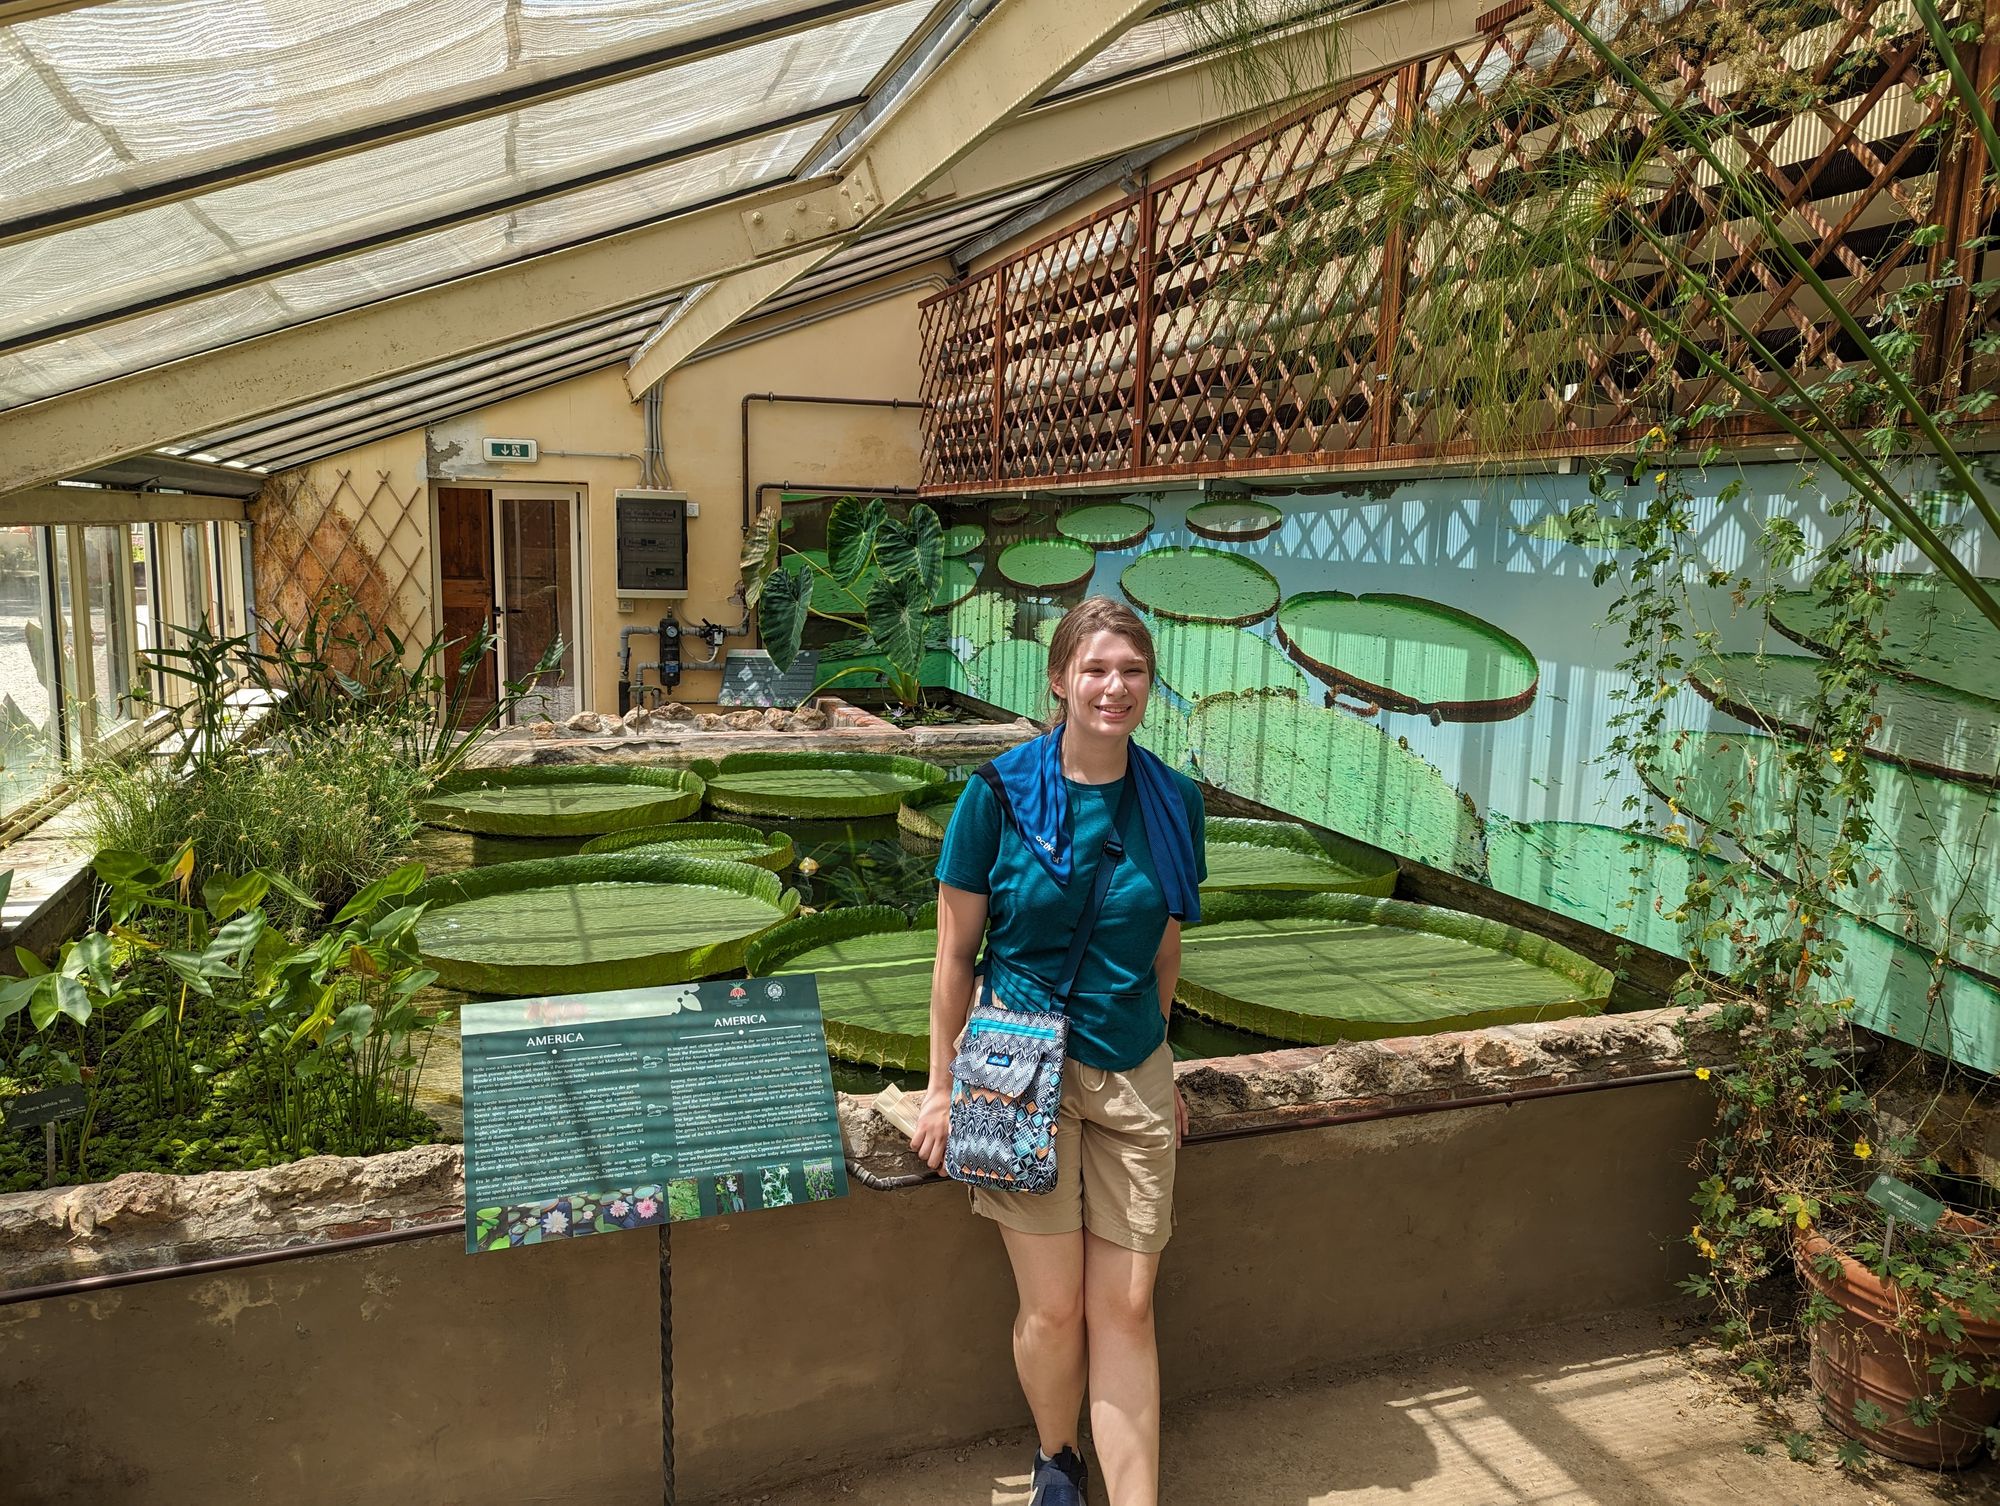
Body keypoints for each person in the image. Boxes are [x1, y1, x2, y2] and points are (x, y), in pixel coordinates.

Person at [912, 595, 1206, 1506]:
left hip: (1134, 1080)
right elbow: (955, 958)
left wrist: (1160, 1066)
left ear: (1148, 687)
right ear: (1059, 681)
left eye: (1132, 672)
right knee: (1056, 1307)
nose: (1114, 688)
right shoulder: (995, 796)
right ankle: (1056, 1459)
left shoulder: (1174, 800)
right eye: (1096, 670)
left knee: (1126, 1307)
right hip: (1011, 1074)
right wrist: (937, 1089)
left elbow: (1164, 947)